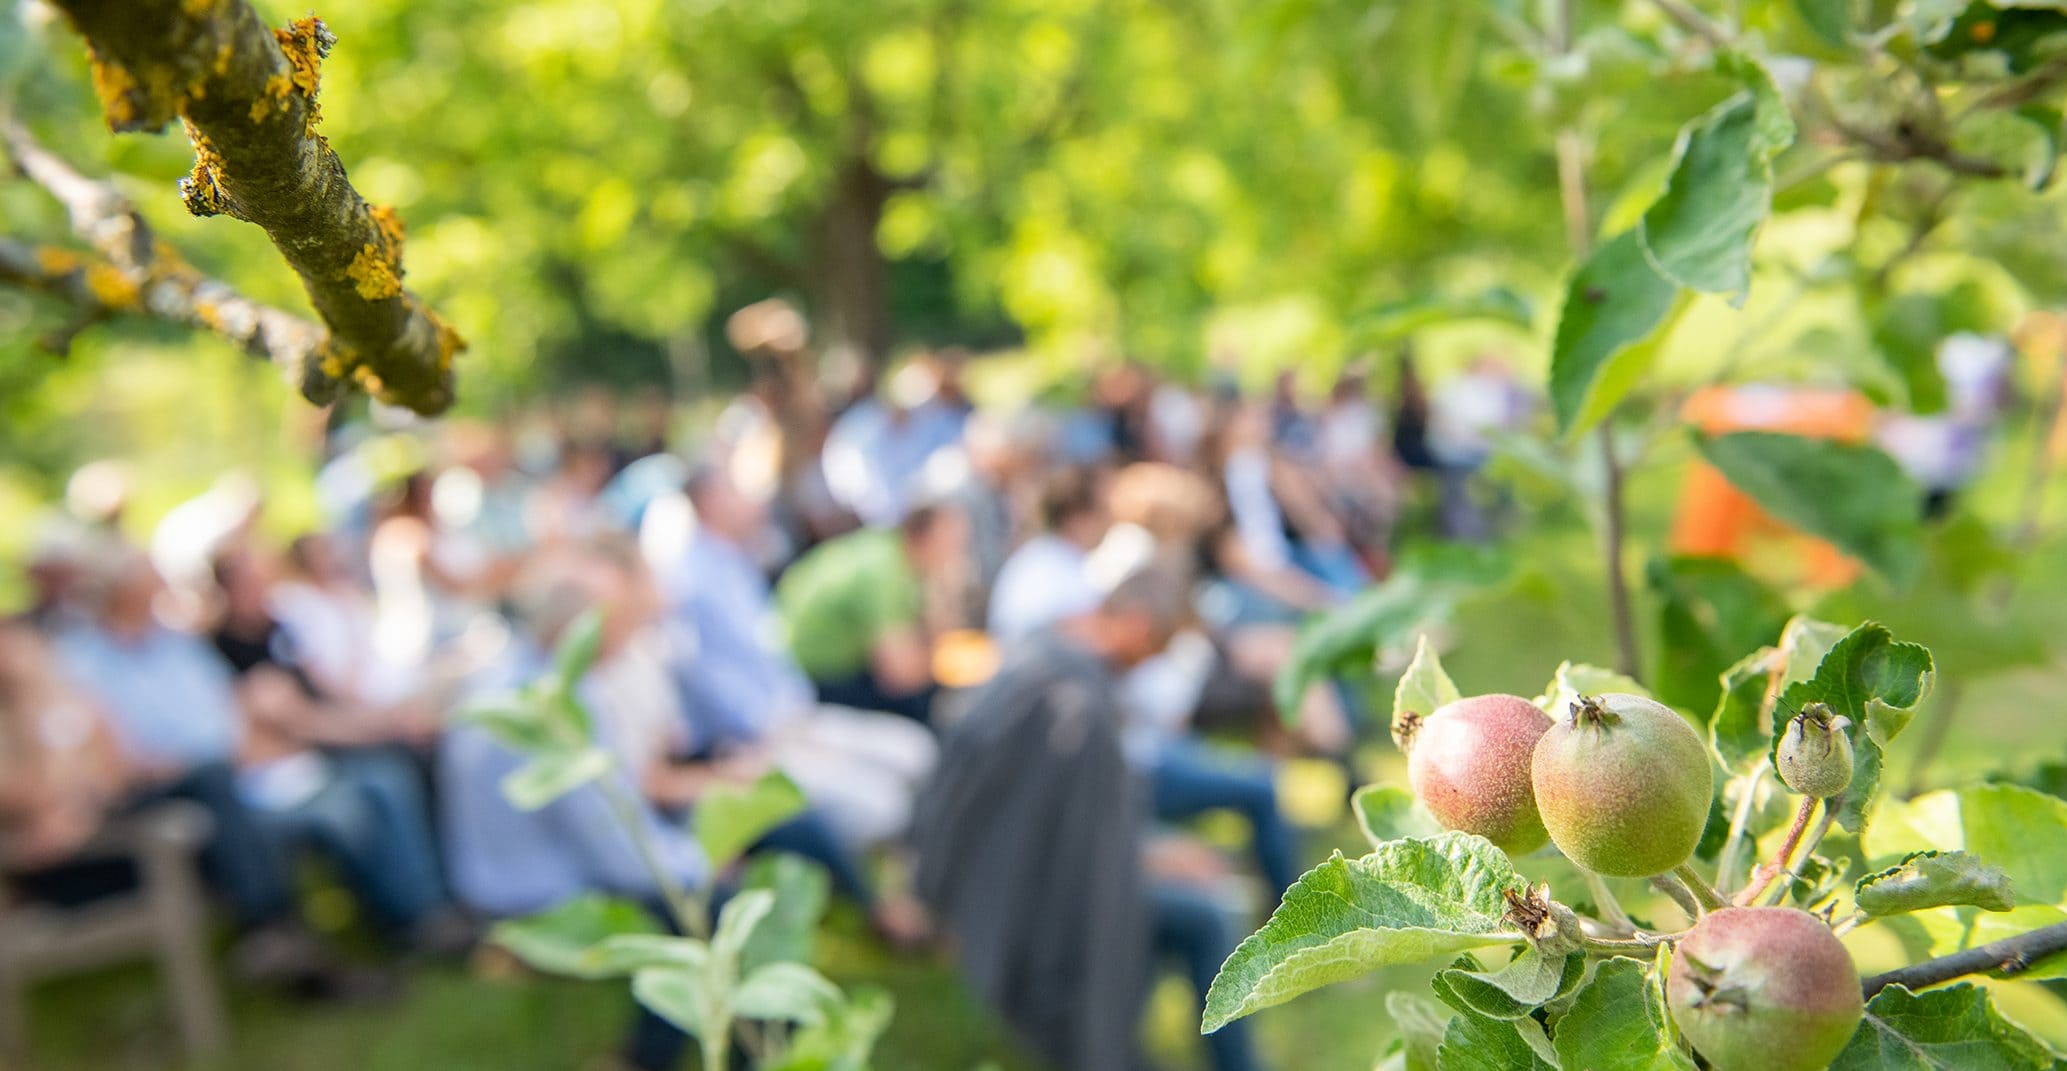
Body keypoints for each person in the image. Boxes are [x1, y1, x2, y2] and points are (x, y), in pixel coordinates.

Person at [914, 566, 1263, 1071]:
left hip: (999, 882)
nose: (1148, 665)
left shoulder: (1039, 657)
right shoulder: (1076, 710)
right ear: (1138, 626)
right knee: (1207, 916)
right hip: (1044, 916)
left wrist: (1150, 848)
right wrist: (1149, 857)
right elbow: (1083, 852)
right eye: (1157, 649)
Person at [663, 466, 938, 852]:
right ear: (710, 503)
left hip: (794, 716)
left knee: (917, 751)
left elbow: (768, 656)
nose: (752, 500)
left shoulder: (734, 563)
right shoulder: (692, 582)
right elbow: (704, 680)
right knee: (885, 805)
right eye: (737, 491)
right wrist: (768, 733)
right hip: (756, 740)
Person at [776, 501, 967, 724]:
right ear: (927, 535)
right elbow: (900, 675)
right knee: (925, 708)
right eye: (955, 541)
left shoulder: (889, 549)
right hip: (807, 677)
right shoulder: (884, 573)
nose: (959, 552)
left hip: (808, 660)